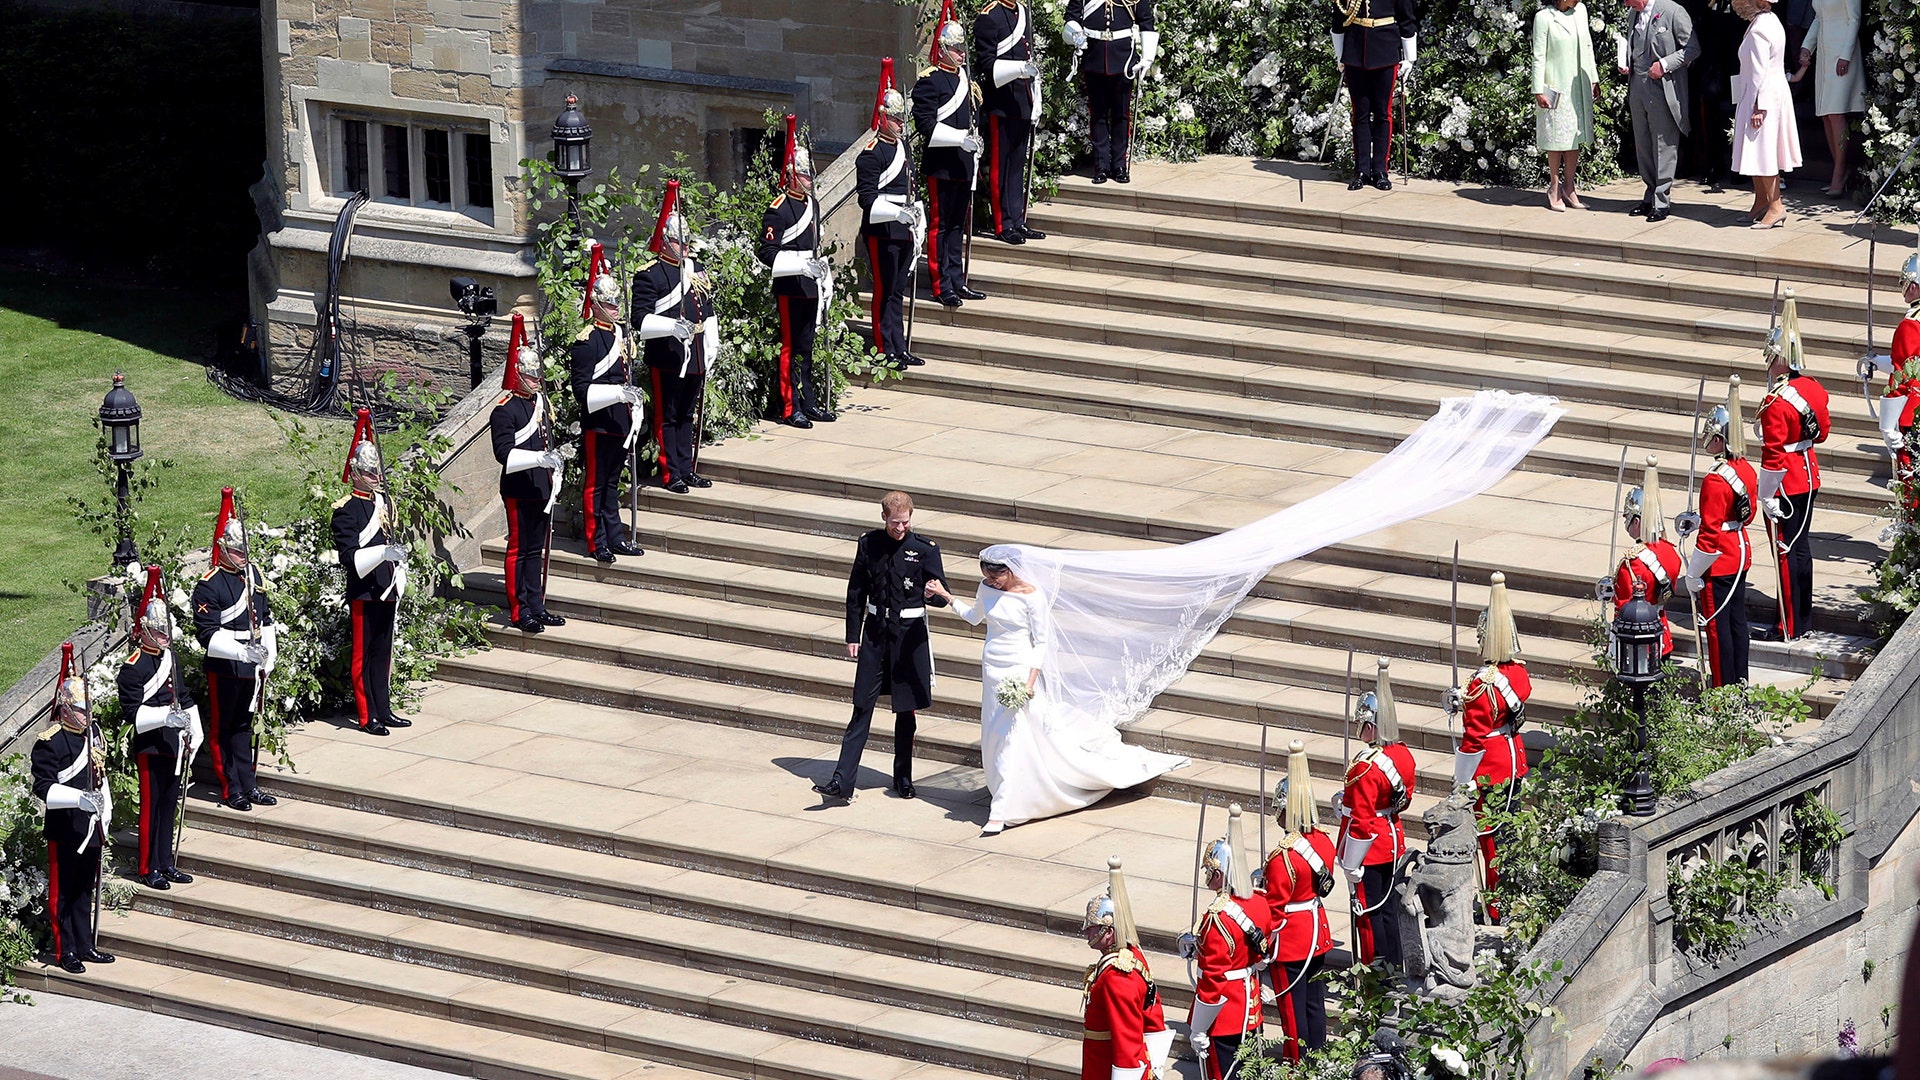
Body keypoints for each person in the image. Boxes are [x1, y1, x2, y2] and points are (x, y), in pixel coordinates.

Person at [926, 558, 1188, 831]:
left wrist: (1029, 681)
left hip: (1019, 669)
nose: (992, 582)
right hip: (992, 666)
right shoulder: (986, 589)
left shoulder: (1032, 597)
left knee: (1010, 734)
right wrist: (947, 596)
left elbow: (1040, 642)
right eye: (988, 578)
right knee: (995, 731)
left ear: (1010, 571)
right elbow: (975, 617)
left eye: (996, 578)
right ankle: (1013, 788)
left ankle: (1002, 808)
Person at [814, 491, 948, 802]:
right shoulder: (869, 544)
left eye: (906, 522)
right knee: (862, 705)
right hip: (875, 635)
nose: (901, 528)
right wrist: (852, 635)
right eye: (895, 522)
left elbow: (942, 594)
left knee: (905, 710)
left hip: (909, 638)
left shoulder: (925, 549)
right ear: (884, 518)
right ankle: (841, 782)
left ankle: (903, 777)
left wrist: (932, 595)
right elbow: (856, 591)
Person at [192, 486, 279, 808]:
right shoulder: (209, 584)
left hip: (253, 663)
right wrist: (243, 653)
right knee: (225, 728)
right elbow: (208, 635)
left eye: (246, 551)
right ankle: (232, 788)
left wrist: (269, 656)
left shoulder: (253, 573)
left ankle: (250, 783)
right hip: (227, 664)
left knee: (245, 726)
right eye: (237, 551)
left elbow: (265, 617)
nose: (244, 557)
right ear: (223, 549)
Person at [1450, 572, 1530, 910]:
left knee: (1492, 843)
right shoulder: (1519, 674)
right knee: (1512, 834)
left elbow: (1474, 736)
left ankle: (1497, 907)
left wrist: (1462, 779)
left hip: (1489, 768)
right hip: (1515, 759)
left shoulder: (1480, 685)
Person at [33, 644, 115, 974]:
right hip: (66, 826)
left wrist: (103, 811)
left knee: (84, 888)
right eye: (81, 710)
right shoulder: (50, 741)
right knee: (64, 892)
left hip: (91, 824)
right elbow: (43, 787)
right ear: (66, 709)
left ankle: (85, 944)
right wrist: (78, 800)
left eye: (88, 710)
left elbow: (100, 774)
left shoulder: (92, 732)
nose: (87, 716)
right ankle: (64, 950)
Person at [632, 180, 718, 492]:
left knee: (687, 414)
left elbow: (706, 307)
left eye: (686, 241)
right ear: (664, 241)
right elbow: (639, 319)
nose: (685, 246)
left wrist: (711, 341)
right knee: (667, 416)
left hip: (694, 351)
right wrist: (671, 327)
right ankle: (671, 473)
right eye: (678, 241)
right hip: (667, 353)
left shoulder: (696, 267)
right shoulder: (649, 274)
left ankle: (687, 466)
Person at [330, 413, 412, 735]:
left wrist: (397, 565)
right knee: (363, 656)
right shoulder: (345, 510)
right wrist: (382, 554)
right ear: (355, 474)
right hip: (364, 590)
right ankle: (367, 716)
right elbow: (349, 558)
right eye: (367, 471)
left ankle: (384, 707)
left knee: (383, 651)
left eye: (376, 471)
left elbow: (389, 539)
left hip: (386, 585)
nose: (375, 476)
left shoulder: (384, 502)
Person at [1754, 292, 1828, 642]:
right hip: (1809, 472)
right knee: (1802, 549)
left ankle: (1789, 624)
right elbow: (1822, 433)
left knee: (1785, 551)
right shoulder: (1813, 389)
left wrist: (1765, 494)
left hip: (1785, 483)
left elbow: (1773, 453)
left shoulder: (1775, 402)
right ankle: (1805, 617)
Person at [121, 566, 200, 890]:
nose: (166, 637)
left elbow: (181, 694)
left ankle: (166, 862)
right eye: (161, 632)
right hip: (152, 745)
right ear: (146, 632)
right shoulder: (133, 667)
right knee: (151, 808)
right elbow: (132, 714)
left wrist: (194, 728)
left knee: (170, 804)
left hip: (174, 743)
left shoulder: (171, 657)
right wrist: (165, 718)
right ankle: (148, 866)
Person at [1179, 804, 1271, 1080]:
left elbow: (1212, 979)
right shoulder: (1259, 901)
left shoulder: (1216, 918)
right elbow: (1262, 949)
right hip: (1250, 1001)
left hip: (1225, 1013)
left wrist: (1197, 1028)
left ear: (1219, 874)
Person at [1680, 377, 1759, 687]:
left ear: (1720, 438)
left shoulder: (1715, 479)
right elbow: (1741, 515)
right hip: (1741, 550)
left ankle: (1722, 690)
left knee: (1717, 627)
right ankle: (1740, 682)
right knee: (1738, 623)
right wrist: (1699, 520)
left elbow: (1711, 536)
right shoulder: (1746, 470)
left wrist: (1693, 573)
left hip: (1721, 559)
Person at [1337, 658, 1415, 966]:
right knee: (1391, 911)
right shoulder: (1403, 755)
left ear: (1370, 725)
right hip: (1393, 837)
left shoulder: (1365, 765)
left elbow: (1362, 819)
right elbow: (1402, 800)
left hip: (1369, 848)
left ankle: (1377, 976)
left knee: (1369, 916)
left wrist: (1351, 861)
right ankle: (1398, 965)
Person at [758, 118, 835, 426]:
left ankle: (808, 400)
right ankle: (791, 407)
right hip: (791, 284)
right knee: (791, 347)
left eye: (809, 173)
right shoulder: (779, 208)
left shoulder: (812, 205)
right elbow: (767, 252)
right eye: (803, 173)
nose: (808, 179)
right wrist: (800, 265)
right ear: (790, 175)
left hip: (811, 282)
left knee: (807, 345)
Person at [1262, 740, 1336, 1063]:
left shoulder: (1283, 858)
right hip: (1316, 932)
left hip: (1291, 941)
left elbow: (1275, 912)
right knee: (1314, 1005)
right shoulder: (1322, 842)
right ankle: (1317, 1059)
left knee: (1293, 1015)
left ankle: (1297, 1067)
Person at [491, 322, 566, 634]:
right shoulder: (504, 411)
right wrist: (539, 459)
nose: (537, 380)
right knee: (519, 550)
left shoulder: (539, 403)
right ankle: (519, 610)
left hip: (541, 486)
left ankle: (537, 604)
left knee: (537, 550)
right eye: (532, 375)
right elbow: (504, 454)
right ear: (518, 374)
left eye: (538, 375)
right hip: (519, 488)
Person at [570, 251, 646, 561]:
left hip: (620, 421)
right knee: (596, 484)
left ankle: (615, 537)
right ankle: (595, 540)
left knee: (613, 483)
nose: (615, 309)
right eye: (610, 303)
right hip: (599, 421)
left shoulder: (622, 334)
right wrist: (617, 395)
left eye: (617, 303)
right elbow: (582, 390)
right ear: (597, 305)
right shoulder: (587, 341)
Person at [913, 16, 989, 307]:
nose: (961, 53)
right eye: (956, 48)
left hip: (963, 164)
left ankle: (957, 280)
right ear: (942, 49)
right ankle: (940, 283)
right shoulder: (930, 82)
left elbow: (973, 120)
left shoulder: (966, 82)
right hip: (942, 164)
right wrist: (960, 140)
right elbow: (927, 126)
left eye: (962, 48)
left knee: (958, 225)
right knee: (940, 225)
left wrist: (974, 145)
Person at [857, 60, 926, 369]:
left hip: (904, 228)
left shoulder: (903, 148)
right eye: (896, 120)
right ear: (883, 118)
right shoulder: (872, 154)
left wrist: (916, 220)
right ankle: (886, 347)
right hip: (882, 230)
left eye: (902, 119)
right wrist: (898, 215)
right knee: (885, 292)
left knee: (898, 290)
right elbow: (868, 201)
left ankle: (900, 344)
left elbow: (911, 188)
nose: (900, 125)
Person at [1080, 857, 1174, 1080]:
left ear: (1109, 931)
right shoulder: (1132, 954)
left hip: (1106, 1063)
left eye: (1093, 929)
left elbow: (1126, 1040)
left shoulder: (1116, 977)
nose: (1087, 933)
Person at [1620, 0, 1700, 222]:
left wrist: (1664, 64)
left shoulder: (1674, 11)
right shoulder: (1632, 14)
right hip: (1637, 85)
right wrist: (1626, 62)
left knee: (1663, 144)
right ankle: (1649, 194)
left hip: (1663, 87)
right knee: (1643, 143)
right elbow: (1632, 43)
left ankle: (1662, 200)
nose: (1626, 3)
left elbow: (1692, 49)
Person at [1064, 0, 1158, 184]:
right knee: (1097, 115)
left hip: (1123, 59)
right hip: (1094, 58)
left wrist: (1147, 57)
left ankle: (1119, 165)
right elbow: (1071, 17)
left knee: (1121, 115)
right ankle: (1101, 166)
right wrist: (1077, 36)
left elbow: (1146, 21)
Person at [975, 0, 1046, 242]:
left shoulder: (1022, 11)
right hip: (1002, 101)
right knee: (1001, 165)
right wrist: (1019, 69)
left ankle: (1018, 219)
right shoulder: (989, 16)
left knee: (1017, 164)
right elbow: (986, 63)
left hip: (1022, 98)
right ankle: (1002, 224)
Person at [1330, 0, 1418, 191]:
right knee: (1360, 114)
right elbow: (1338, 21)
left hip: (1385, 50)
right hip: (1355, 51)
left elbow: (1406, 19)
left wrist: (1410, 57)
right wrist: (1340, 57)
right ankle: (1362, 171)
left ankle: (1380, 170)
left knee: (1382, 114)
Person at [1608, 454, 1685, 664]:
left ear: (1638, 520)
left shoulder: (1632, 563)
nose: (1626, 522)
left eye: (1628, 517)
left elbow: (1623, 609)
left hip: (1639, 644)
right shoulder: (1670, 552)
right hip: (1663, 635)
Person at [1731, 0, 1801, 229]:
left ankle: (1776, 206)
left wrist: (1758, 107)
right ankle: (1762, 202)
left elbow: (1759, 70)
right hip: (1767, 93)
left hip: (1762, 96)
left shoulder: (1761, 27)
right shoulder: (1769, 21)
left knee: (1763, 152)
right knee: (1756, 152)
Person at [1531, 0, 1599, 210]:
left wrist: (1594, 79)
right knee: (1556, 138)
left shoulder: (1580, 11)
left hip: (1577, 85)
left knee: (1573, 137)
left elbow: (1587, 46)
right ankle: (1554, 186)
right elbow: (1538, 55)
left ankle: (1569, 187)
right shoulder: (1544, 18)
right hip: (1555, 83)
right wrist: (1538, 89)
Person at [1793, 0, 1863, 195]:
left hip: (1842, 54)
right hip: (1825, 55)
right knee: (1825, 114)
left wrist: (1846, 55)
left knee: (1835, 113)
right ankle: (1839, 169)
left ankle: (1839, 174)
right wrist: (1807, 46)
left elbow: (1854, 19)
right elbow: (1819, 18)